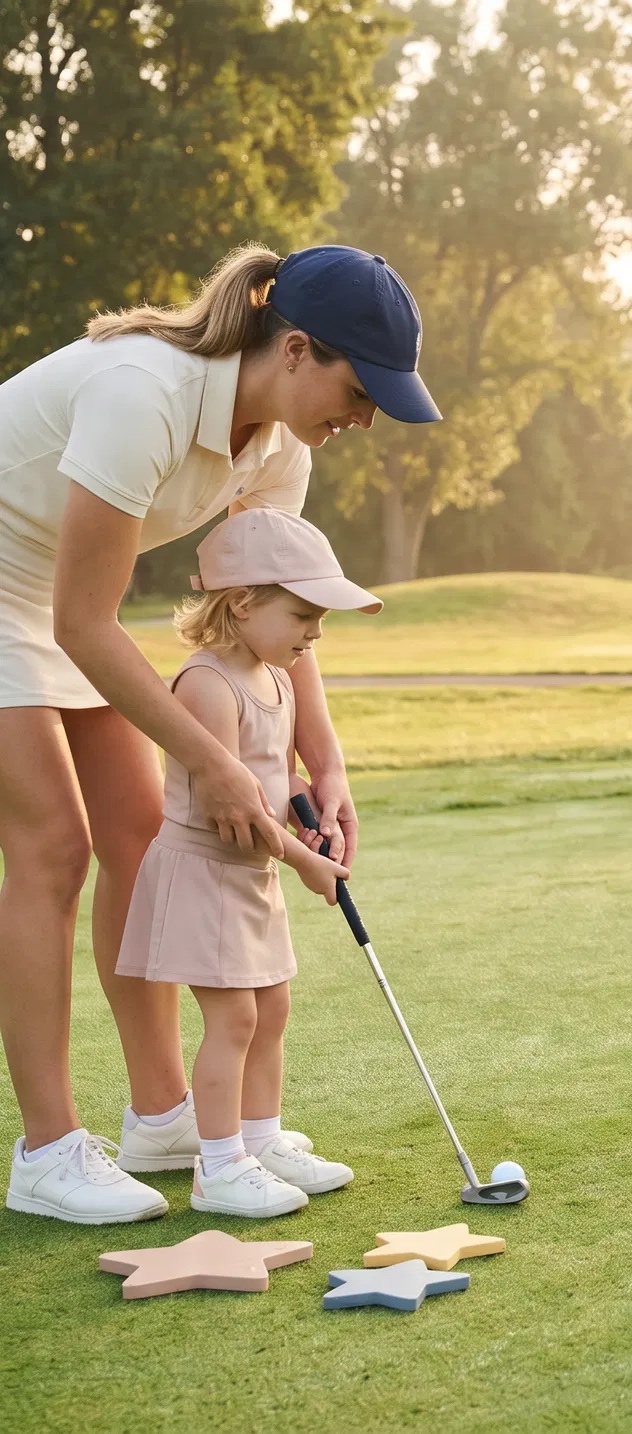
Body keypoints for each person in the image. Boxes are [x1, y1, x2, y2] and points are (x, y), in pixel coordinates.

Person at [1, 243, 439, 1225]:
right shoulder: (141, 394)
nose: (364, 418)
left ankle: (164, 1116)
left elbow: (279, 619)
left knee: (143, 833)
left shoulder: (282, 443)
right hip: (12, 584)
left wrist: (322, 761)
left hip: (62, 594)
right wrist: (214, 761)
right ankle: (46, 1150)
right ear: (294, 349)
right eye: (361, 390)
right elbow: (83, 620)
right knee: (52, 846)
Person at [115, 510, 369, 1217]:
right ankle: (219, 1167)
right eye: (305, 615)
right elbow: (236, 819)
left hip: (251, 873)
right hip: (208, 871)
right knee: (231, 1021)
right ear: (244, 603)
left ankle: (257, 1141)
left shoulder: (276, 675)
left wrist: (306, 809)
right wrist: (304, 863)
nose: (315, 634)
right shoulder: (205, 686)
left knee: (272, 1010)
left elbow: (272, 779)